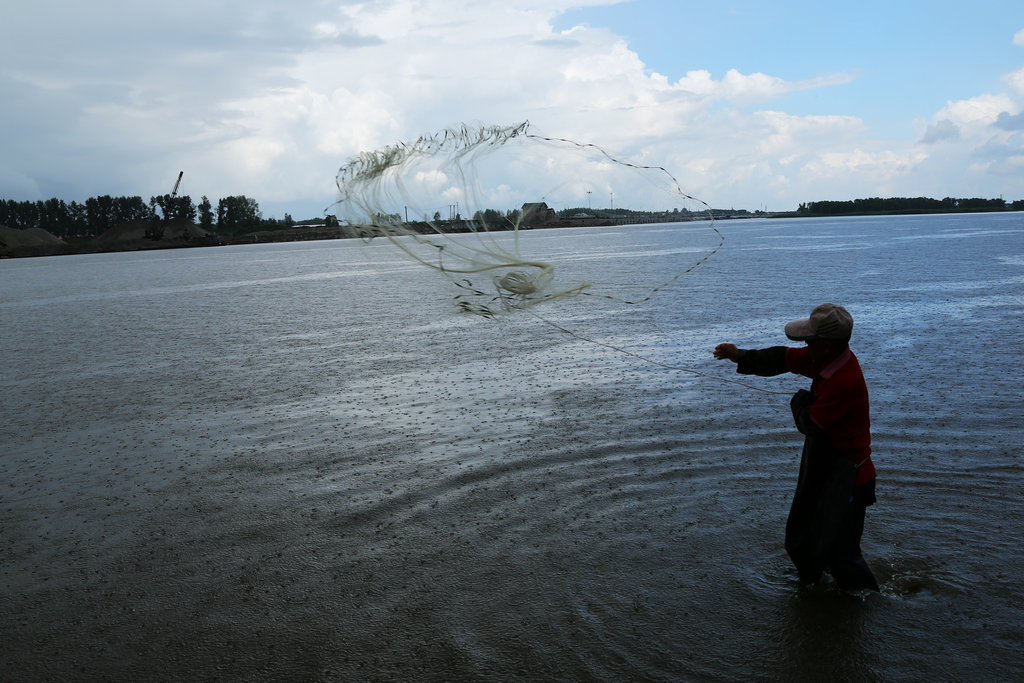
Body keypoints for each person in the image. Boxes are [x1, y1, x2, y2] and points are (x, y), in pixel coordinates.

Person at [713, 303, 879, 591]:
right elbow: (783, 358)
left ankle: (866, 607)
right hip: (828, 469)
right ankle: (819, 592)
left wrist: (799, 400)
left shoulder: (844, 381)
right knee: (807, 539)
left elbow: (810, 423)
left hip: (848, 478)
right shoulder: (827, 358)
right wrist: (740, 355)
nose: (805, 346)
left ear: (826, 344)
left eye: (809, 341)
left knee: (843, 554)